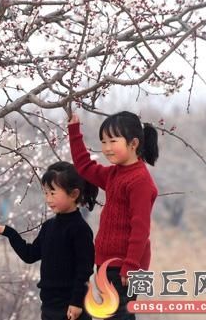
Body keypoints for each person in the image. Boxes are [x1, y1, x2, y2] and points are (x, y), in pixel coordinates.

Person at [68, 111, 159, 320]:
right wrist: (74, 132)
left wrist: (131, 265)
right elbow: (84, 167)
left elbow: (141, 228)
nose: (107, 148)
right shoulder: (115, 174)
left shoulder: (139, 182)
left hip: (126, 267)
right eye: (103, 141)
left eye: (113, 140)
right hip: (108, 263)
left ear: (133, 143)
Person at [0, 161, 98, 320]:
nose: (48, 199)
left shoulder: (80, 230)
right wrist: (9, 233)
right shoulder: (49, 226)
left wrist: (76, 303)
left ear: (74, 194)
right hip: (49, 306)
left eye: (53, 193)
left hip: (71, 308)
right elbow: (30, 255)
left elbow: (84, 270)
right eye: (46, 193)